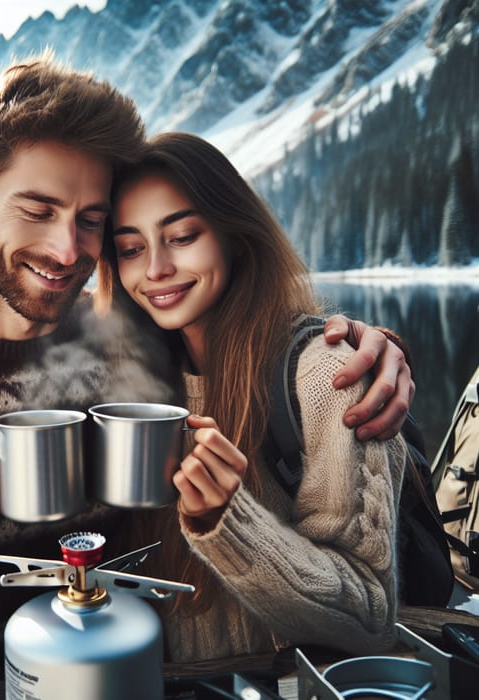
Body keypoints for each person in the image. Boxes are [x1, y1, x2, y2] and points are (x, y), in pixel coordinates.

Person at [0, 55, 411, 678]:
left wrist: (361, 346)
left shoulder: (124, 339)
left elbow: (238, 345)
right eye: (38, 209)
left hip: (121, 675)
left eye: (91, 222)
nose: (65, 249)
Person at [96, 132, 409, 661]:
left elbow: (371, 617)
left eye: (183, 235)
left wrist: (231, 521)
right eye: (130, 248)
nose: (155, 270)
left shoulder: (327, 376)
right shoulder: (126, 383)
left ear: (234, 235)